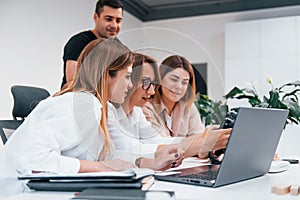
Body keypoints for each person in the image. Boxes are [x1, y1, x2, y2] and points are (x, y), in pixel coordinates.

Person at [0, 39, 183, 197]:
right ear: (106, 75)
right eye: (127, 77)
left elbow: (108, 157)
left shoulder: (98, 106)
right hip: (18, 193)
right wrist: (99, 167)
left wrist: (153, 163)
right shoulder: (80, 104)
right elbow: (30, 157)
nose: (130, 85)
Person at [108, 53, 231, 161]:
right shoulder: (108, 110)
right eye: (146, 83)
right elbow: (132, 148)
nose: (152, 91)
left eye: (184, 82)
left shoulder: (136, 112)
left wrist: (205, 138)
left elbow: (158, 141)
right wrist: (203, 143)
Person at [60, 0, 124, 89]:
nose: (114, 25)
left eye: (118, 20)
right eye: (108, 19)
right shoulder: (79, 42)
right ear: (95, 17)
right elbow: (72, 83)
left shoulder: (119, 48)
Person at [143, 55, 204, 137]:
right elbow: (161, 143)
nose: (179, 86)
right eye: (174, 79)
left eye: (184, 82)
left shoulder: (188, 107)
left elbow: (198, 141)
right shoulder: (147, 107)